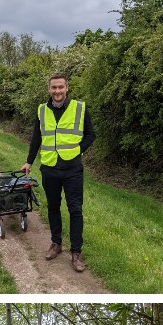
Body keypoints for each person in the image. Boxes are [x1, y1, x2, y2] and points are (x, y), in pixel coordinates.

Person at [22, 73, 95, 273]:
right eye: (53, 88)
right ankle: (56, 243)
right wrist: (29, 161)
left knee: (75, 210)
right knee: (53, 207)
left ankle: (76, 253)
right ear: (49, 89)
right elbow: (36, 137)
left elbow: (91, 134)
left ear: (67, 88)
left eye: (60, 87)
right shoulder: (41, 110)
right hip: (49, 168)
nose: (57, 91)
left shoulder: (79, 108)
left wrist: (78, 150)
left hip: (72, 169)